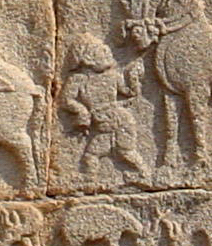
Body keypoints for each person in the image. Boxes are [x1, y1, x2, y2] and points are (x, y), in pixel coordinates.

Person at [60, 35, 147, 183]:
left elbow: (129, 93)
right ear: (87, 58)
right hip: (103, 122)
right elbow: (66, 100)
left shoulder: (113, 75)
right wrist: (81, 110)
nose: (107, 53)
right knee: (92, 154)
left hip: (121, 120)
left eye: (106, 51)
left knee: (126, 151)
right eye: (101, 51)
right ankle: (90, 179)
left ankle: (143, 173)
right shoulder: (78, 80)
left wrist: (134, 78)